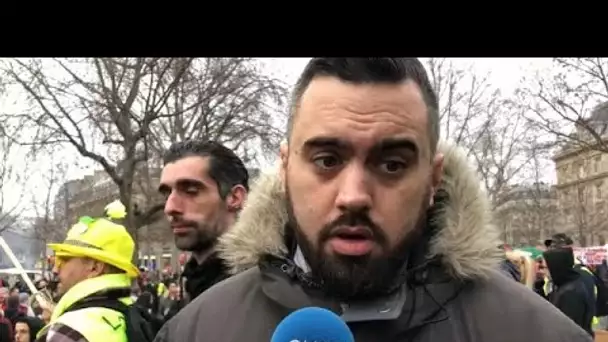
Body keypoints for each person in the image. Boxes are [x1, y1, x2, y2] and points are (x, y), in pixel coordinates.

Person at [154, 58, 592, 341]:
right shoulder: (195, 331)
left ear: (433, 179)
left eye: (393, 165)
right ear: (285, 169)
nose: (354, 197)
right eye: (326, 159)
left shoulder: (538, 333)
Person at [35, 201, 141, 342]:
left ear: (95, 267)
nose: (55, 269)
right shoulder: (131, 317)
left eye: (64, 259)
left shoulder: (70, 331)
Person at [158, 140, 249, 304]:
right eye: (166, 195)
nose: (170, 207)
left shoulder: (262, 291)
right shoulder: (191, 284)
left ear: (235, 198)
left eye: (191, 191)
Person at [544, 247, 595, 336]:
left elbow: (568, 329)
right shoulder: (566, 284)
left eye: (547, 268)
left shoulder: (570, 292)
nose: (545, 272)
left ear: (556, 268)